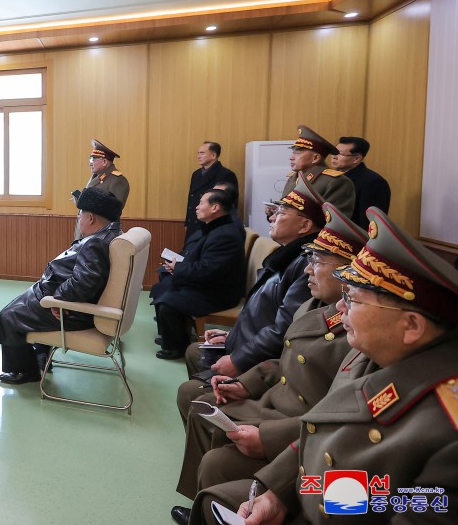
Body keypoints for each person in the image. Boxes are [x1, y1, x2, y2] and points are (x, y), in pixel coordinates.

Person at [189, 207, 458, 525]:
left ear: (411, 326)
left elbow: (395, 505)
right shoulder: (367, 353)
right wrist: (279, 494)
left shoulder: (447, 426)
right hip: (317, 493)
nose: (341, 306)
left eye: (355, 298)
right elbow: (322, 431)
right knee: (215, 501)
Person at [170, 202, 366, 523]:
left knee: (216, 459)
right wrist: (246, 382)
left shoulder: (358, 333)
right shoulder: (319, 306)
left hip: (297, 428)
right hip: (278, 403)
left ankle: (203, 507)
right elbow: (285, 358)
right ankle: (201, 506)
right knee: (205, 412)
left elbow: (338, 425)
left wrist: (271, 448)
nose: (307, 268)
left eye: (317, 260)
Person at [176, 175, 321, 417]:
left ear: (305, 226)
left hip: (266, 363)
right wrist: (233, 335)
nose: (272, 217)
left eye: (281, 213)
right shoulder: (289, 255)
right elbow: (264, 311)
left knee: (188, 393)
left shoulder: (305, 266)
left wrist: (238, 360)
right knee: (195, 351)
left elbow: (282, 332)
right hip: (253, 344)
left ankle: (212, 412)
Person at [0, 188, 124, 384]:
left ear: (90, 218)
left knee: (9, 317)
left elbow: (85, 282)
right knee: (18, 305)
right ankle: (41, 353)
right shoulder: (111, 234)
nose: (79, 220)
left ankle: (25, 371)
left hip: (71, 311)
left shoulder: (96, 244)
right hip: (68, 300)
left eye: (80, 215)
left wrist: (58, 300)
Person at [152, 188, 245, 359]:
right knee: (163, 284)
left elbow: (209, 269)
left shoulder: (226, 234)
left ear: (215, 208)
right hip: (210, 284)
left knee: (168, 301)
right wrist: (178, 266)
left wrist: (179, 268)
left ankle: (176, 348)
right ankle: (171, 337)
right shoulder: (218, 227)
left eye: (202, 203)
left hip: (218, 292)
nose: (197, 207)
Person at [280, 125, 355, 218]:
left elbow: (334, 221)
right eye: (293, 152)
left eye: (297, 153)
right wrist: (274, 212)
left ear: (315, 158)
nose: (291, 157)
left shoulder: (336, 182)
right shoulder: (293, 177)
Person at [331, 136, 391, 227]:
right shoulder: (332, 176)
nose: (334, 157)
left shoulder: (373, 182)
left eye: (340, 154)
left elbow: (369, 224)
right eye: (334, 152)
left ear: (356, 159)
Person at [185, 142, 238, 240]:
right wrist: (187, 222)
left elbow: (228, 204)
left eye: (202, 153)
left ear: (213, 155)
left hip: (212, 225)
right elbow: (191, 200)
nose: (198, 156)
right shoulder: (196, 174)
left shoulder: (226, 174)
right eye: (198, 153)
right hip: (194, 222)